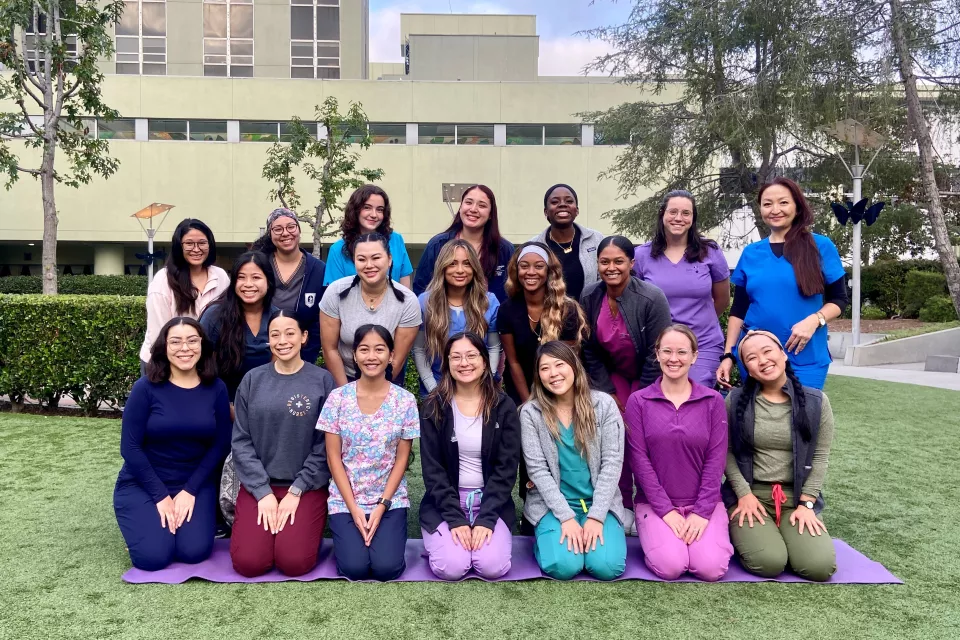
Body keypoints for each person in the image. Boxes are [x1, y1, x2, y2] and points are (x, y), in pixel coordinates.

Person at [115, 317, 231, 570]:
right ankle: (143, 524)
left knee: (193, 552)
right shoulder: (145, 388)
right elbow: (130, 448)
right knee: (153, 558)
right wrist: (161, 497)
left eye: (192, 340)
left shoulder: (217, 388)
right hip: (144, 483)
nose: (185, 348)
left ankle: (166, 525)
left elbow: (221, 443)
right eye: (175, 342)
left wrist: (190, 491)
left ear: (202, 345)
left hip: (195, 484)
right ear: (164, 347)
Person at [723, 330, 837, 581]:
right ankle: (750, 535)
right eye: (752, 358)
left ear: (783, 354)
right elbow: (726, 452)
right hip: (751, 496)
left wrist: (807, 504)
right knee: (769, 563)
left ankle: (786, 533)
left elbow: (819, 456)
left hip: (796, 498)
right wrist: (743, 495)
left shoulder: (816, 401)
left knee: (818, 567)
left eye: (767, 351)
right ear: (748, 369)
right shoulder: (735, 400)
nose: (762, 360)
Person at [229, 309, 335, 578]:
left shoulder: (322, 381)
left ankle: (300, 531)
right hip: (259, 486)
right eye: (275, 334)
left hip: (305, 486)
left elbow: (326, 445)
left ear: (304, 337)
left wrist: (298, 489)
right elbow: (241, 440)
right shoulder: (253, 380)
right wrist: (262, 492)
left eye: (290, 333)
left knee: (294, 562)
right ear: (268, 340)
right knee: (248, 563)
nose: (282, 340)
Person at [717, 178, 847, 390]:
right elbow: (738, 310)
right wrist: (729, 354)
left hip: (806, 357)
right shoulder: (751, 253)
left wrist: (814, 321)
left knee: (802, 419)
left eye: (783, 202)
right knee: (759, 421)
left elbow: (840, 299)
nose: (775, 209)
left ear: (797, 206)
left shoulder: (821, 246)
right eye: (767, 204)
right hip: (756, 358)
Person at [624, 325, 732, 581]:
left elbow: (716, 461)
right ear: (657, 354)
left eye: (682, 352)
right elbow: (639, 462)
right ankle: (664, 537)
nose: (674, 359)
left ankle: (704, 537)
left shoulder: (713, 401)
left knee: (711, 568)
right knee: (671, 566)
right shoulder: (638, 401)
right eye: (667, 351)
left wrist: (702, 512)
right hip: (656, 505)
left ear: (694, 356)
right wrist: (667, 512)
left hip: (704, 503)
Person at [580, 235, 673, 529]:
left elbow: (657, 351)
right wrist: (606, 390)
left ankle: (648, 501)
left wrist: (641, 396)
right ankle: (619, 504)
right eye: (604, 261)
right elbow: (589, 349)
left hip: (647, 376)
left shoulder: (652, 297)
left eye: (618, 261)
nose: (611, 267)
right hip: (610, 376)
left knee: (641, 435)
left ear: (631, 263)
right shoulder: (589, 295)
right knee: (611, 435)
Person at [317, 325, 420, 581]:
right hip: (346, 499)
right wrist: (353, 508)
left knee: (387, 569)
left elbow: (402, 459)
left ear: (392, 355)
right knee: (355, 568)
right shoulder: (337, 398)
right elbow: (333, 458)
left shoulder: (405, 400)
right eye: (364, 349)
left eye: (379, 349)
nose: (371, 356)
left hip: (389, 500)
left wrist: (382, 505)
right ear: (354, 355)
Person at [520, 341, 627, 581]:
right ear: (538, 375)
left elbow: (612, 462)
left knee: (607, 567)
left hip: (599, 504)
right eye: (544, 368)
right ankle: (546, 538)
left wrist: (597, 517)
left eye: (559, 365)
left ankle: (600, 533)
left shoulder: (603, 405)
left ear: (574, 367)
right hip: (553, 506)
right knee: (563, 566)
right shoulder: (531, 413)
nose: (553, 373)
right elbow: (537, 470)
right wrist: (566, 518)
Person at [419, 332, 521, 580]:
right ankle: (442, 540)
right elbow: (433, 471)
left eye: (471, 355)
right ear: (447, 364)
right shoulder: (434, 406)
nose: (464, 363)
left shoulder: (503, 407)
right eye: (456, 357)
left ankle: (482, 536)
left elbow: (506, 470)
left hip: (490, 501)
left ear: (485, 361)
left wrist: (486, 520)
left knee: (491, 567)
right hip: (445, 503)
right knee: (451, 567)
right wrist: (456, 520)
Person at [633, 190, 730, 388]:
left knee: (695, 395)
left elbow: (722, 300)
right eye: (673, 212)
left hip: (703, 344)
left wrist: (697, 321)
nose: (679, 218)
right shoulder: (642, 255)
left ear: (693, 218)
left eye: (686, 213)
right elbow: (636, 304)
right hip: (658, 347)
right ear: (662, 214)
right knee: (660, 402)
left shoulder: (710, 251)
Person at [319, 233, 421, 387]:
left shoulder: (408, 301)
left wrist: (374, 392)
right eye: (361, 259)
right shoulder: (335, 292)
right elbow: (329, 349)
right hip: (343, 378)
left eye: (376, 258)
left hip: (387, 380)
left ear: (389, 259)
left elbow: (398, 358)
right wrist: (346, 393)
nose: (369, 265)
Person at [499, 242, 588, 407]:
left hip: (560, 389)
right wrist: (529, 405)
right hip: (521, 392)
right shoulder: (507, 310)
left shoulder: (567, 310)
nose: (531, 272)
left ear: (549, 271)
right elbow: (513, 363)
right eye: (524, 266)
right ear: (516, 270)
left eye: (539, 266)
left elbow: (566, 364)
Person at [138, 219, 229, 373]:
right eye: (189, 243)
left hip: (205, 363)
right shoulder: (163, 280)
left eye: (202, 243)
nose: (196, 249)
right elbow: (158, 333)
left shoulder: (220, 276)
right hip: (163, 362)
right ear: (178, 246)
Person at [413, 240, 500, 396]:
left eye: (467, 264)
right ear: (442, 267)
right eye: (452, 264)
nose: (460, 270)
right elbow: (419, 350)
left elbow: (493, 347)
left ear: (474, 268)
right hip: (436, 390)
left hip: (479, 390)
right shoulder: (425, 302)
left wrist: (488, 381)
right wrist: (433, 390)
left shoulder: (489, 302)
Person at [413, 184, 515, 303]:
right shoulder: (438, 245)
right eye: (468, 202)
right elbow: (420, 288)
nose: (473, 209)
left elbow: (513, 292)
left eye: (482, 205)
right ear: (460, 208)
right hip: (443, 319)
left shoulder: (505, 250)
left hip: (492, 319)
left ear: (490, 214)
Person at [252, 208, 327, 364]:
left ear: (299, 230)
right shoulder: (260, 264)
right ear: (270, 234)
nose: (285, 233)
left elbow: (320, 319)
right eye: (278, 229)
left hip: (301, 353)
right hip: (260, 351)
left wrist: (307, 353)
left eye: (291, 227)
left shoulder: (318, 269)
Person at [200, 251, 277, 402]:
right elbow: (201, 364)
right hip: (221, 403)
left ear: (269, 281)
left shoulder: (278, 318)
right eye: (241, 277)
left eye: (256, 277)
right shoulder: (214, 316)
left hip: (266, 404)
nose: (248, 284)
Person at [323, 185, 414, 289]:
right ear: (355, 210)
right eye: (367, 208)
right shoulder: (337, 250)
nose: (374, 215)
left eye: (380, 210)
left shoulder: (396, 240)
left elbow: (405, 285)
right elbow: (334, 294)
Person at [529, 184, 605, 299]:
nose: (563, 204)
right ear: (546, 212)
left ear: (577, 210)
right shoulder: (534, 246)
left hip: (590, 314)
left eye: (569, 201)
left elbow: (604, 280)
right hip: (548, 314)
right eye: (555, 202)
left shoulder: (597, 239)